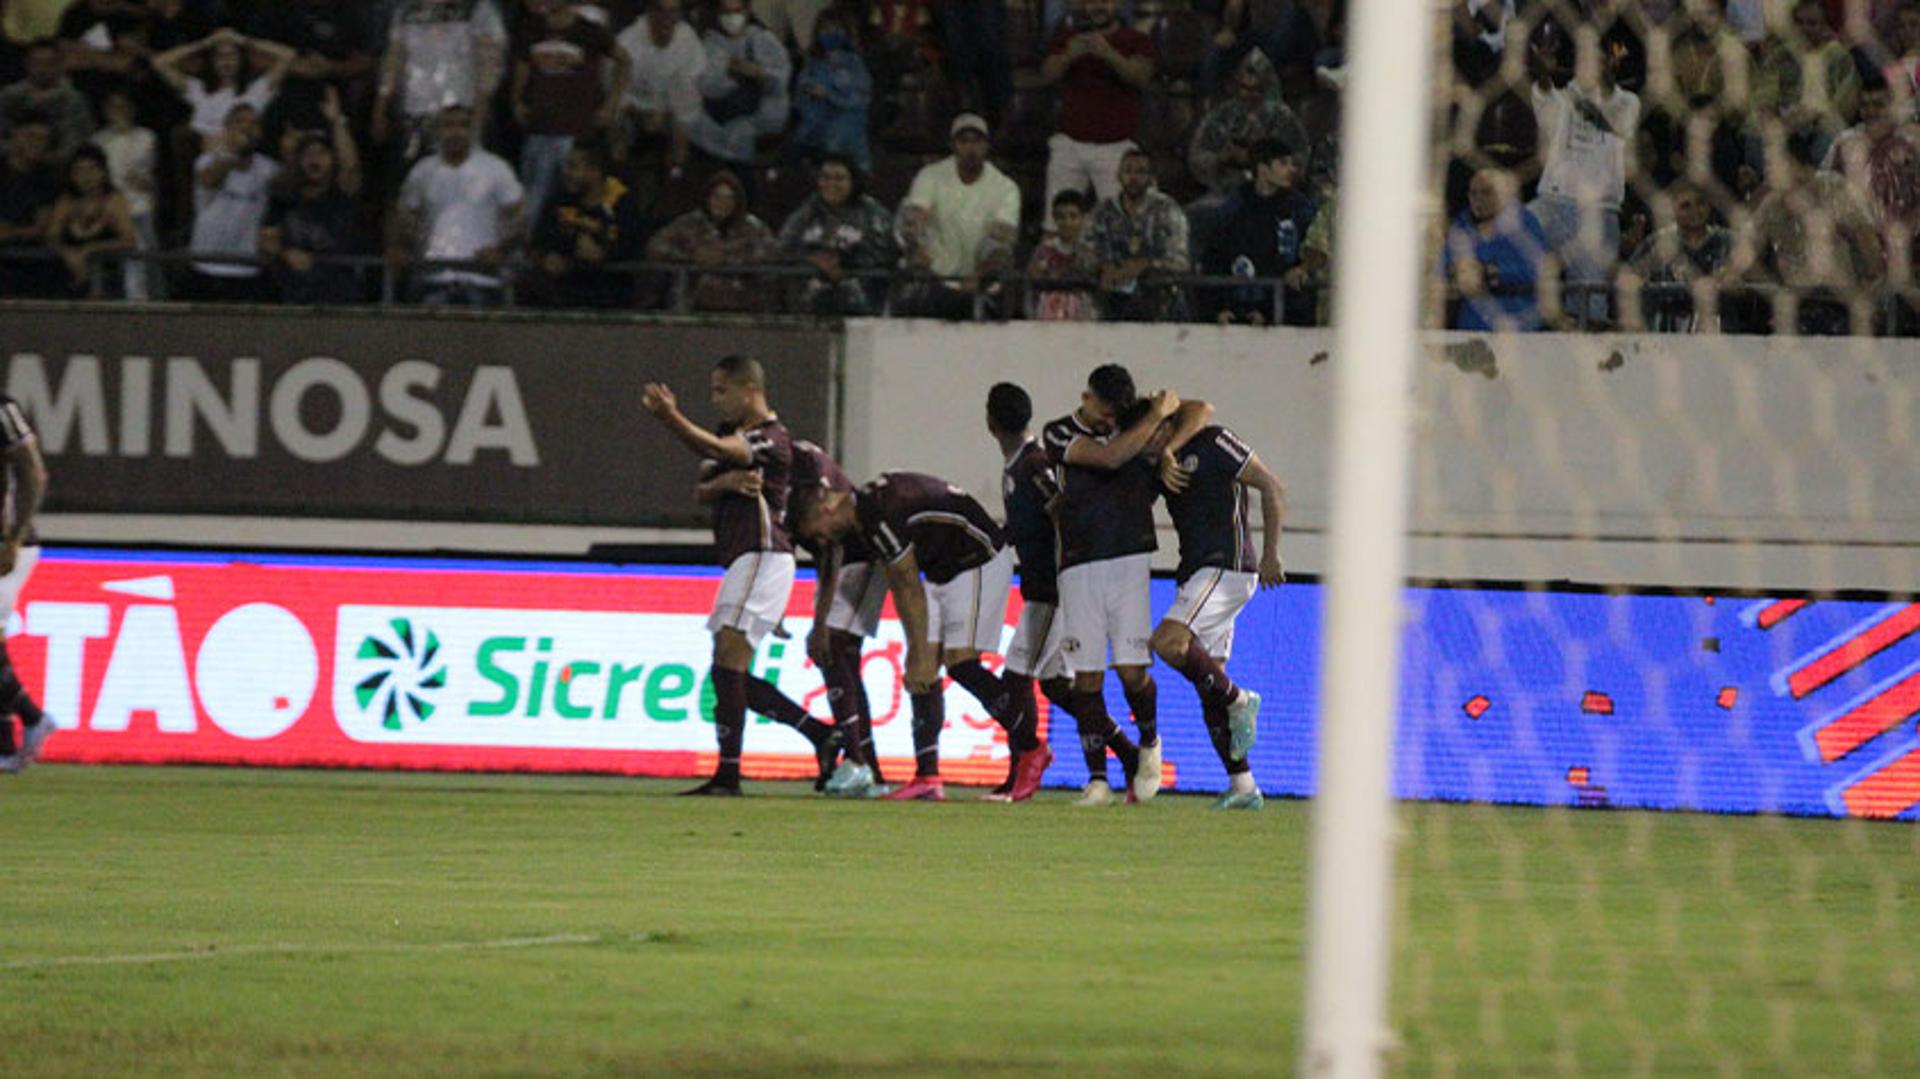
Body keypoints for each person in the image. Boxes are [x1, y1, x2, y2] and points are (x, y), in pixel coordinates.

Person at [640, 355, 839, 796]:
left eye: (720, 390)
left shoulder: (772, 439)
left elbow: (714, 453)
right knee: (726, 668)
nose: (716, 400)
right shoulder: (737, 436)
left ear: (749, 390)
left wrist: (670, 417)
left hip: (764, 554)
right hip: (745, 560)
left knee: (727, 658)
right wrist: (726, 486)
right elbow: (702, 486)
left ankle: (729, 775)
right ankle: (820, 736)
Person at [795, 471, 1041, 803]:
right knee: (922, 673)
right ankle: (927, 777)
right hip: (942, 570)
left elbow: (907, 583)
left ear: (825, 511)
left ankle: (1033, 747)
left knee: (959, 664)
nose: (824, 541)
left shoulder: (875, 515)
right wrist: (919, 653)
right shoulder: (863, 511)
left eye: (818, 534)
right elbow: (902, 583)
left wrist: (920, 652)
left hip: (978, 560)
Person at [1042, 364, 1208, 806]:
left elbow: (1200, 410)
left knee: (1133, 671)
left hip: (1130, 558)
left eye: (1117, 413)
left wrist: (1166, 434)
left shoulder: (1137, 422)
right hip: (1077, 563)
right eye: (1103, 410)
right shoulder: (1057, 433)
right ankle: (1097, 780)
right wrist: (1153, 417)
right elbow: (1110, 458)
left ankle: (1149, 743)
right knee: (1087, 679)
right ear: (1086, 396)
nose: (1109, 420)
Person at [1147, 412, 1286, 810]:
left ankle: (1242, 700)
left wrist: (1272, 553)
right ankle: (1244, 786)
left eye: (1154, 431)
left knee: (1168, 642)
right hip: (1198, 572)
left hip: (1226, 565)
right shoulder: (1159, 466)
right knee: (1210, 686)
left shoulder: (1213, 440)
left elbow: (1272, 486)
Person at [787, 438, 889, 798]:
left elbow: (831, 547)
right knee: (841, 658)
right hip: (845, 563)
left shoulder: (804, 471)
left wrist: (819, 623)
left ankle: (861, 765)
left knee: (832, 646)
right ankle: (868, 768)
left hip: (861, 556)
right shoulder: (786, 479)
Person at [983, 382, 1069, 801]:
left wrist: (1065, 568)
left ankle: (1028, 763)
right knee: (1057, 687)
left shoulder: (1035, 465)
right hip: (1040, 588)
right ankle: (1126, 754)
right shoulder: (1021, 464)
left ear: (989, 422)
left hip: (1053, 590)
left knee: (1016, 678)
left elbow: (1061, 510)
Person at [1528, 26, 1640, 325]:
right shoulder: (1560, 100)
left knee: (1590, 299)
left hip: (1598, 211)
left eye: (1601, 61)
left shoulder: (1628, 102)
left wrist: (1601, 87)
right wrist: (1542, 72)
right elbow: (1543, 92)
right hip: (1551, 203)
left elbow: (1615, 127)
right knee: (1510, 235)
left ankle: (1592, 356)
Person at [1729, 131, 1885, 334]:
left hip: (1840, 301)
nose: (1768, 173)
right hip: (1797, 304)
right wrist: (1774, 291)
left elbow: (1869, 245)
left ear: (1792, 163)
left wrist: (1865, 290)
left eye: (1772, 165)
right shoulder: (1772, 203)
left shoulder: (1834, 189)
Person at [390, 104, 526, 307]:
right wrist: (401, 246)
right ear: (437, 131)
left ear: (473, 130)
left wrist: (501, 250)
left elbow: (521, 217)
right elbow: (404, 216)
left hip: (484, 279)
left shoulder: (496, 168)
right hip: (433, 278)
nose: (456, 132)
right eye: (448, 125)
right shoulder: (422, 171)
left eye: (463, 125)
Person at [510, 0, 630, 229]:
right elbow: (522, 64)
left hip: (575, 132)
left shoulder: (589, 31)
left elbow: (624, 61)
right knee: (533, 200)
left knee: (572, 200)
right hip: (539, 128)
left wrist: (611, 104)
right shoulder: (530, 29)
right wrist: (516, 100)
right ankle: (531, 253)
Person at [1184, 52, 1307, 263]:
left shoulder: (1284, 119)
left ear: (1266, 88)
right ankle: (1205, 285)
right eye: (1243, 88)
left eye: (1256, 89)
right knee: (1194, 216)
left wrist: (1256, 160)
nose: (1248, 95)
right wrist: (1220, 158)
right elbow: (1197, 157)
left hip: (1274, 196)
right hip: (1227, 192)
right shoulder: (1220, 116)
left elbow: (1301, 162)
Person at [896, 113, 1022, 319]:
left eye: (977, 141)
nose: (971, 148)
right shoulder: (930, 175)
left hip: (982, 284)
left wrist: (979, 275)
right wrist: (916, 248)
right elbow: (914, 218)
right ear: (953, 145)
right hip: (934, 280)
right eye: (963, 141)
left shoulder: (1006, 188)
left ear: (987, 145)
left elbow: (1000, 241)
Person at [1038, 0, 1154, 211]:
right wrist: (1068, 56)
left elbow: (1141, 77)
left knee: (1122, 224)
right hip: (1070, 143)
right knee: (1056, 227)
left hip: (1115, 147)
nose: (1098, 6)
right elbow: (1046, 75)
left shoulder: (1136, 39)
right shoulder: (1067, 35)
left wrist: (1109, 54)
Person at [260, 88, 366, 304]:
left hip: (339, 295)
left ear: (332, 159)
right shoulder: (284, 198)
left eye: (321, 154)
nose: (315, 160)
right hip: (292, 297)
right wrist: (286, 253)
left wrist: (337, 122)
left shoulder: (341, 196)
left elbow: (351, 167)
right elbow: (267, 241)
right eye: (308, 154)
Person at [373, 0, 508, 166]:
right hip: (415, 116)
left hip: (461, 114)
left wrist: (477, 120)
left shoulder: (477, 9)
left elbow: (489, 65)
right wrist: (381, 105)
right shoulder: (407, 10)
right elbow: (393, 59)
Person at [1205, 138, 1318, 326]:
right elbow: (1216, 261)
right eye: (1283, 163)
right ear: (1263, 169)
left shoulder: (1300, 210)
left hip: (1289, 318)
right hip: (1236, 315)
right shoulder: (1233, 208)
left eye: (1292, 163)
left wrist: (1270, 314)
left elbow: (1307, 260)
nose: (1292, 169)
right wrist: (1219, 308)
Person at [244, 0, 375, 158]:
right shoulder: (276, 7)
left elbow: (365, 61)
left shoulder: (348, 10)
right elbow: (253, 57)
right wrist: (298, 67)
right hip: (279, 99)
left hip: (330, 103)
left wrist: (331, 67)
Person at [525, 139, 645, 309]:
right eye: (566, 166)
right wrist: (548, 256)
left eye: (573, 167)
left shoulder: (622, 204)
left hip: (611, 301)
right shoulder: (558, 202)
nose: (566, 172)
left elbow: (634, 246)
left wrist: (604, 254)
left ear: (594, 172)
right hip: (561, 300)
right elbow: (538, 242)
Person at [0, 394, 51, 775]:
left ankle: (33, 718)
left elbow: (33, 472)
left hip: (7, 544)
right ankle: (4, 746)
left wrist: (13, 537)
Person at [776, 154, 895, 315]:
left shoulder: (872, 213)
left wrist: (846, 262)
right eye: (825, 177)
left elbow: (887, 254)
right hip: (807, 307)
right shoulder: (805, 213)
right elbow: (781, 250)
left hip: (863, 306)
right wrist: (811, 259)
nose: (831, 184)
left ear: (853, 181)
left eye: (839, 178)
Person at [645, 168, 776, 312]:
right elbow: (655, 246)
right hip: (694, 307)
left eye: (729, 198)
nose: (722, 203)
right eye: (716, 197)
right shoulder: (689, 223)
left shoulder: (753, 227)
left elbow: (770, 254)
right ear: (707, 198)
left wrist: (726, 260)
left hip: (743, 308)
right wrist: (692, 257)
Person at [1440, 166, 1552, 331]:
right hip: (1472, 324)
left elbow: (1540, 268)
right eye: (1474, 193)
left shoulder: (1523, 222)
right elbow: (1443, 264)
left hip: (1517, 321)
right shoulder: (1462, 224)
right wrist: (1455, 271)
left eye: (1486, 193)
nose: (1478, 199)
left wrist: (1494, 272)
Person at [151, 26, 296, 153]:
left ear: (241, 60)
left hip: (242, 158)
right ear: (212, 61)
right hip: (200, 160)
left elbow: (287, 55)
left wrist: (241, 40)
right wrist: (206, 43)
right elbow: (160, 62)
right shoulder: (198, 89)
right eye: (220, 56)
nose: (226, 61)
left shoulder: (257, 90)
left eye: (232, 55)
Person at [187, 102, 279, 301]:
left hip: (246, 268)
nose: (246, 127)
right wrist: (232, 152)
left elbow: (289, 186)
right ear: (227, 129)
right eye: (240, 122)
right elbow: (210, 180)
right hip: (206, 265)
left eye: (253, 123)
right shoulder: (207, 160)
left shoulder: (268, 168)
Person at [1087, 147, 1190, 322]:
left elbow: (1181, 260)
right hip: (1111, 303)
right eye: (1128, 171)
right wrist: (1104, 267)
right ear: (1118, 175)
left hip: (1162, 306)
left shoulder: (1167, 209)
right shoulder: (1103, 211)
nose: (1133, 178)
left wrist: (1143, 266)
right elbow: (1085, 253)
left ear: (1151, 178)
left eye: (1141, 172)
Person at [1618, 182, 1735, 332]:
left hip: (1720, 327)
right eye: (1685, 206)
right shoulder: (1658, 242)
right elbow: (1629, 276)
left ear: (1709, 206)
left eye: (1701, 203)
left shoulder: (1727, 241)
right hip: (1666, 329)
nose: (1695, 211)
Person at [687, 0, 789, 166]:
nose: (731, 18)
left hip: (757, 122)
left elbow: (781, 79)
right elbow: (705, 86)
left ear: (747, 11)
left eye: (736, 12)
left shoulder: (764, 39)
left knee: (743, 135)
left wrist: (760, 73)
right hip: (719, 120)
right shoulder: (710, 43)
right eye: (726, 13)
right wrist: (729, 75)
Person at [615, 0, 705, 172]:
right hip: (635, 110)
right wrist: (638, 113)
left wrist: (666, 113)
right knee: (615, 123)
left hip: (672, 111)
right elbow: (616, 91)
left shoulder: (688, 41)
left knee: (683, 126)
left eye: (673, 11)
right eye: (661, 11)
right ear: (649, 11)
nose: (667, 18)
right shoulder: (628, 41)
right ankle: (620, 175)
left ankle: (675, 177)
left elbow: (689, 95)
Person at [90, 87, 156, 299]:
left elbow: (140, 173)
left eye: (122, 106)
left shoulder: (146, 137)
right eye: (112, 107)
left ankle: (138, 304)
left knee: (138, 263)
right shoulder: (97, 141)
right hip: (106, 208)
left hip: (138, 207)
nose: (118, 111)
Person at [46, 143, 135, 296]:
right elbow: (52, 237)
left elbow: (129, 240)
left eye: (91, 170)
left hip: (107, 282)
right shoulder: (66, 201)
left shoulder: (115, 200)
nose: (85, 177)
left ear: (103, 173)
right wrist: (67, 253)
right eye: (78, 171)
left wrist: (90, 250)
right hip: (68, 282)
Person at [788, 9, 871, 172]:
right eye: (825, 29)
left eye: (836, 29)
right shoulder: (812, 62)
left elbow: (861, 98)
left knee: (834, 146)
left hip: (846, 125)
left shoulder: (855, 63)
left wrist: (830, 95)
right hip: (812, 126)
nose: (830, 34)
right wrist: (809, 93)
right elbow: (799, 97)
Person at [0, 113, 65, 297]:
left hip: (32, 261)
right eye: (31, 136)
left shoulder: (49, 179)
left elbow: (41, 227)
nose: (37, 143)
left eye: (44, 139)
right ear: (14, 135)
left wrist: (11, 232)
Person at [0, 38, 94, 159]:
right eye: (36, 62)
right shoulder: (8, 96)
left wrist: (47, 158)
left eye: (49, 63)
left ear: (60, 64)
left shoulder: (74, 101)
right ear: (27, 63)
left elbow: (77, 144)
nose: (42, 69)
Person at [1026, 188, 1099, 320]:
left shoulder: (1091, 251)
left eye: (1073, 216)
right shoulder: (1044, 250)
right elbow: (1033, 279)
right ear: (1054, 218)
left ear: (1084, 218)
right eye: (1061, 217)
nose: (1067, 223)